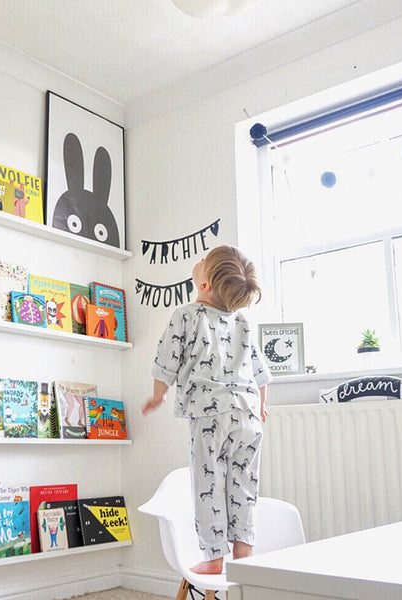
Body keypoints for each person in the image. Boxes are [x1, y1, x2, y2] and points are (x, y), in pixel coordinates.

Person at [142, 245, 272, 575]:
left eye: (202, 261)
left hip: (211, 415)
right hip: (249, 415)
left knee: (208, 483)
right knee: (244, 484)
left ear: (205, 285)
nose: (197, 262)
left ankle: (214, 557)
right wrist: (262, 405)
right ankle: (245, 556)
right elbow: (260, 371)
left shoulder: (186, 315)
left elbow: (166, 360)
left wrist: (158, 396)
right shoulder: (243, 321)